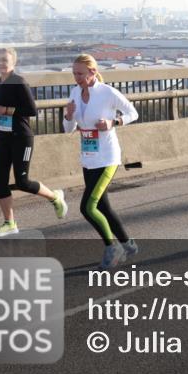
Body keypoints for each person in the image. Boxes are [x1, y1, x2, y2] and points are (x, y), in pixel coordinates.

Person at [63, 53, 140, 270]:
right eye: (74, 73)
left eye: (80, 73)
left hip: (107, 157)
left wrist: (113, 121)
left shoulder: (107, 93)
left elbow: (133, 113)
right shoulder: (75, 93)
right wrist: (68, 117)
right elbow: (68, 130)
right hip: (88, 158)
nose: (76, 78)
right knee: (103, 207)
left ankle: (112, 247)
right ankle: (128, 245)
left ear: (92, 72)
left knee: (88, 207)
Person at [0, 48, 68, 236]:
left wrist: (4, 110)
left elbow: (31, 110)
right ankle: (10, 223)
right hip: (4, 137)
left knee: (22, 182)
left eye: (5, 60)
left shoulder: (19, 81)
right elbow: (3, 109)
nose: (1, 63)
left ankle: (55, 197)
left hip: (22, 138)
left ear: (13, 62)